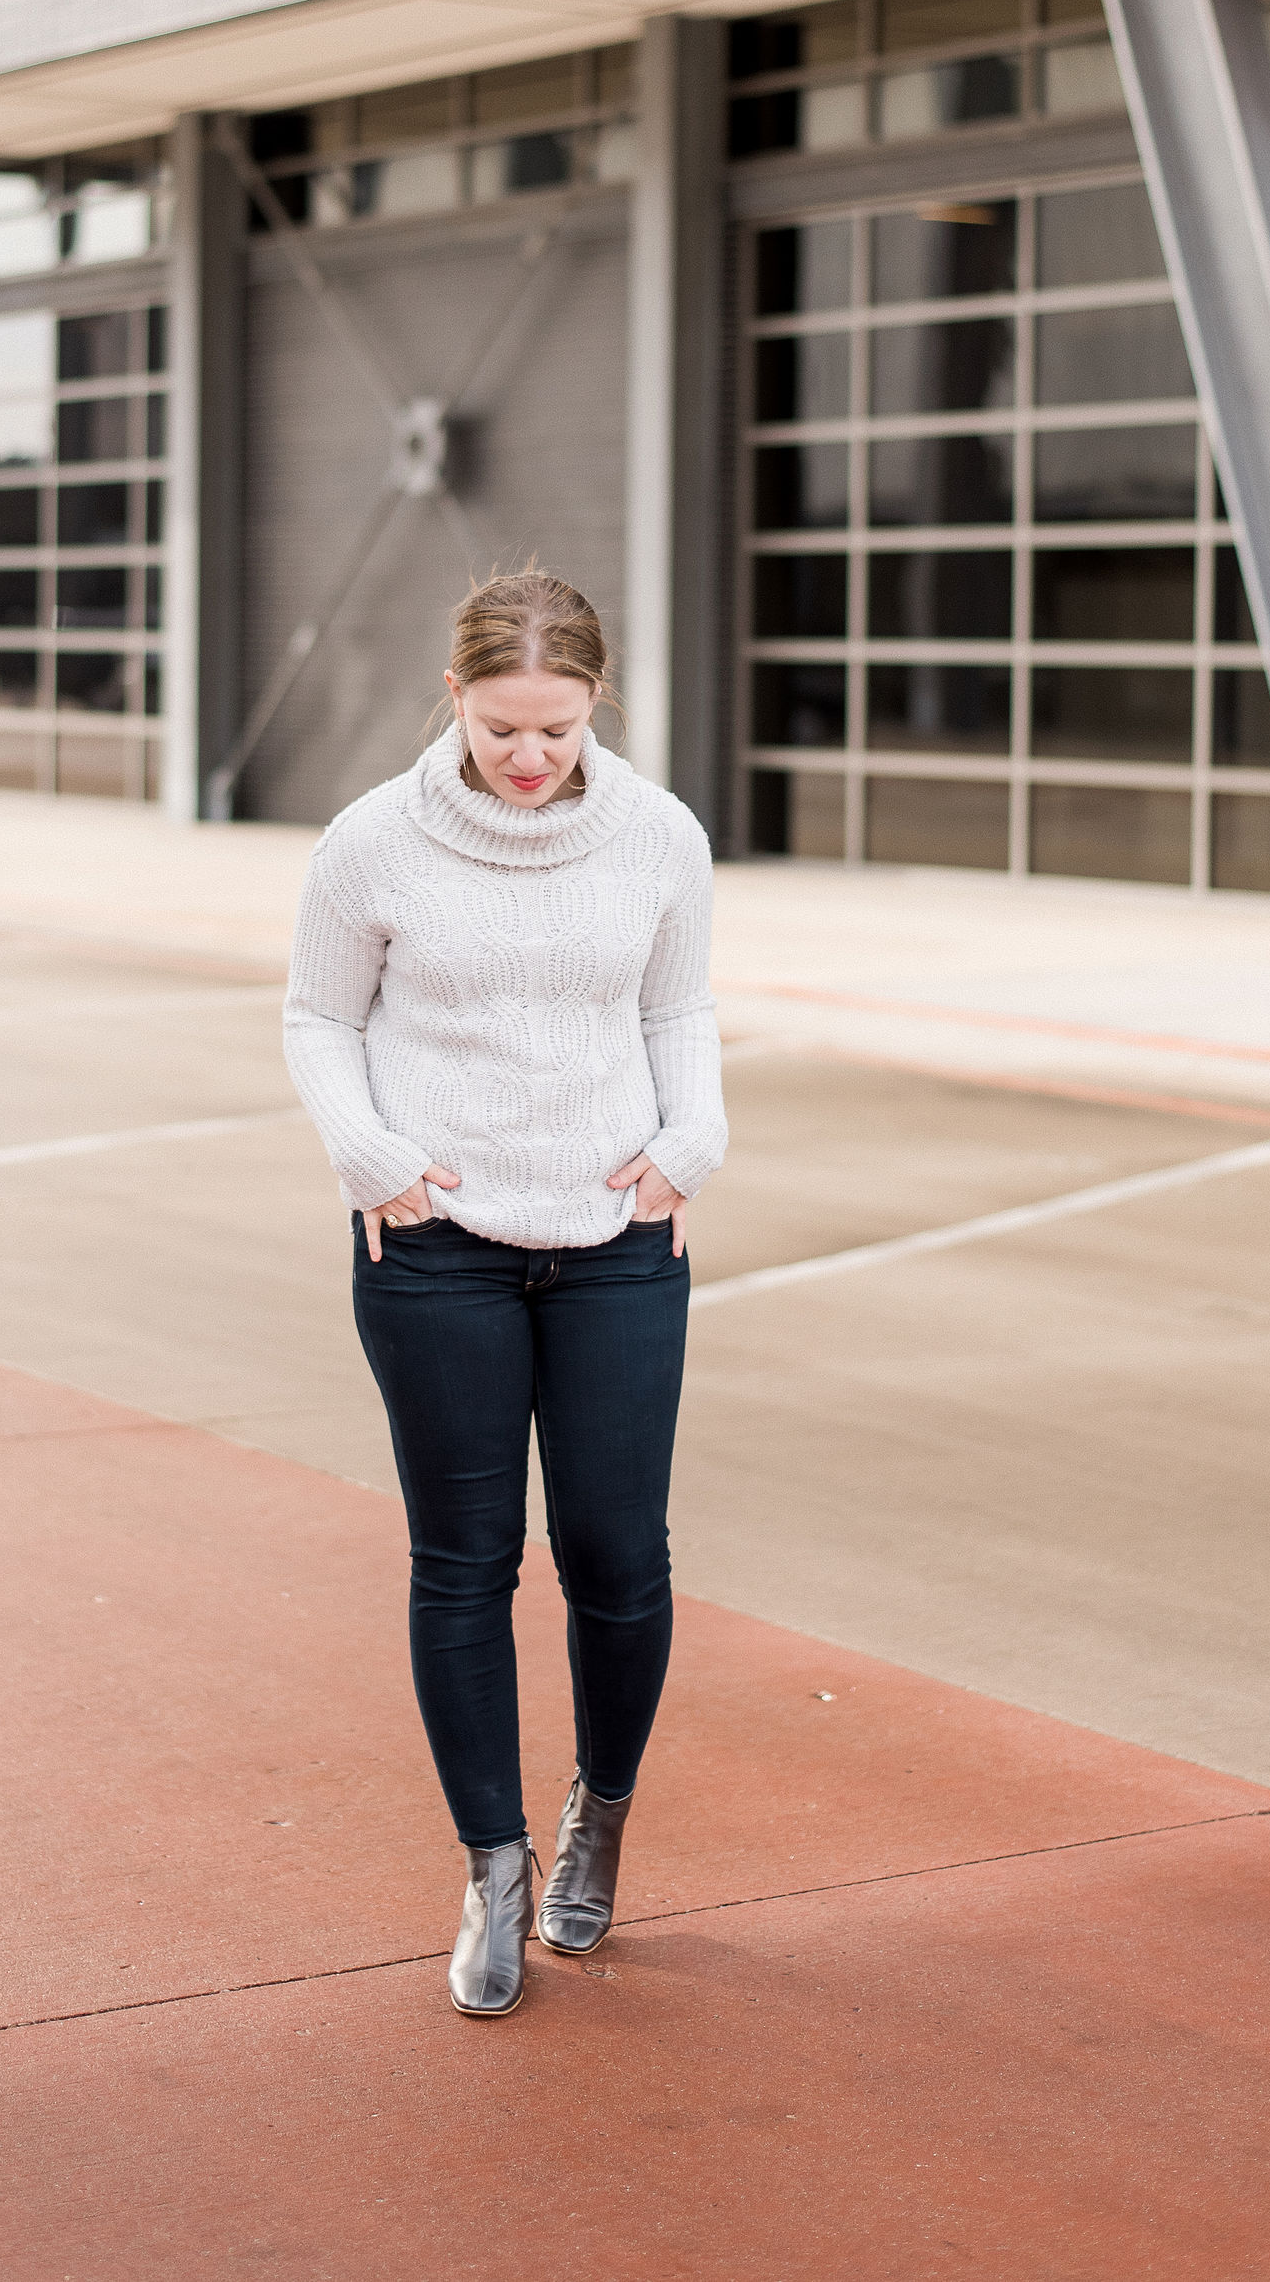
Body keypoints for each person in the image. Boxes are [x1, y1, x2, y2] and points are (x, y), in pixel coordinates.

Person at [283, 566, 727, 2017]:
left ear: (597, 700)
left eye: (558, 726)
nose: (530, 758)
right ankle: (493, 1868)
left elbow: (676, 1004)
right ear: (455, 700)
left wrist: (692, 1140)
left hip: (616, 1240)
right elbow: (320, 1016)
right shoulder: (371, 843)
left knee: (618, 1555)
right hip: (438, 1248)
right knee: (465, 1561)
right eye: (501, 729)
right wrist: (370, 1158)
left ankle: (601, 1815)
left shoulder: (659, 833)